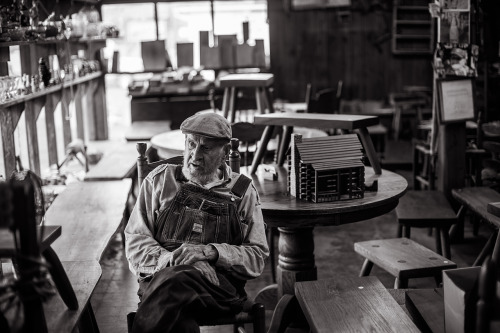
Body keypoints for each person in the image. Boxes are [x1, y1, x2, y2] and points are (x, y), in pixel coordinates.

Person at [125, 112, 269, 333]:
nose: (195, 155)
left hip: (217, 290)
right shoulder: (159, 181)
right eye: (191, 144)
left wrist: (211, 253)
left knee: (175, 284)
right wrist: (176, 261)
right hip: (160, 281)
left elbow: (257, 256)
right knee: (180, 319)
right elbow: (135, 243)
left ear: (225, 153)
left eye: (206, 148)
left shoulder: (242, 191)